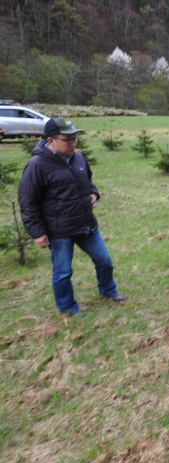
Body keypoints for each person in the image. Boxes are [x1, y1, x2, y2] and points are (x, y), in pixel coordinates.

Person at [18, 117, 126, 317]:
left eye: (74, 137)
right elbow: (27, 201)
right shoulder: (37, 165)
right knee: (63, 272)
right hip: (59, 231)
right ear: (50, 141)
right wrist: (37, 232)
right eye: (67, 139)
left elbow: (88, 180)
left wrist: (93, 193)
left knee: (104, 261)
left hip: (86, 224)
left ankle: (108, 290)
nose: (73, 142)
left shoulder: (78, 158)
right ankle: (68, 307)